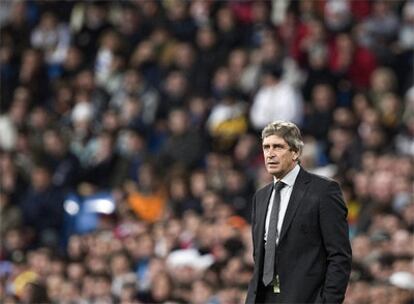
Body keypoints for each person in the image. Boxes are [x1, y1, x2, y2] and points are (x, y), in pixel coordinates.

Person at [246, 121, 352, 303]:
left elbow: (339, 256)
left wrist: (328, 301)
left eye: (278, 147)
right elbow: (260, 257)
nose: (270, 154)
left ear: (295, 152)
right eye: (266, 147)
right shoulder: (260, 197)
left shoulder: (323, 191)